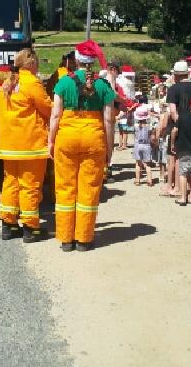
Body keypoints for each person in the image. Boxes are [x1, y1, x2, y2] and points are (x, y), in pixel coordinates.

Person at [49, 40, 116, 252]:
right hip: (93, 138)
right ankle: (84, 239)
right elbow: (108, 120)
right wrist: (110, 147)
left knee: (65, 188)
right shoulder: (103, 86)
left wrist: (51, 140)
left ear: (75, 60)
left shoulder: (63, 83)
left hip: (66, 137)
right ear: (93, 62)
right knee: (89, 189)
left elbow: (55, 115)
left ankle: (66, 239)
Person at [0, 48, 52, 243]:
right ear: (32, 64)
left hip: (9, 145)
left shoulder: (6, 84)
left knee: (10, 183)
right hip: (30, 144)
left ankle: (8, 224)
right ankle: (31, 228)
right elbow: (48, 108)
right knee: (30, 186)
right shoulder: (32, 83)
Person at [161, 60, 191, 197]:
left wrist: (180, 124)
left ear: (175, 75)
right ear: (188, 73)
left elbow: (173, 112)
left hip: (181, 125)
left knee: (176, 157)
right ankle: (190, 188)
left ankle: (177, 189)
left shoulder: (173, 89)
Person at [132, 105, 154, 186]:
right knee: (148, 164)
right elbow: (152, 136)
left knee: (138, 164)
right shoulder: (149, 126)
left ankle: (137, 180)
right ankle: (149, 180)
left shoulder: (135, 126)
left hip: (138, 145)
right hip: (147, 145)